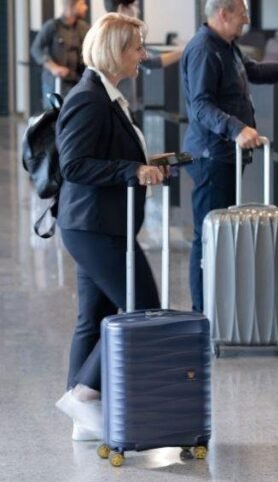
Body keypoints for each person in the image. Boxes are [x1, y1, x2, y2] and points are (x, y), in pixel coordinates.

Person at [53, 13, 170, 442]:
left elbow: (106, 156)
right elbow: (75, 165)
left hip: (100, 224)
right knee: (143, 308)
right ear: (116, 52)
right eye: (137, 47)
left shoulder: (107, 95)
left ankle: (82, 415)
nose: (143, 55)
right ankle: (85, 394)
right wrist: (131, 170)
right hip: (95, 227)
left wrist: (147, 167)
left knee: (94, 317)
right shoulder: (89, 98)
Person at [181, 0, 278, 312]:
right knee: (208, 236)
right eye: (242, 13)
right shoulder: (204, 50)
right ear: (223, 14)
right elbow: (201, 105)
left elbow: (255, 72)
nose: (247, 20)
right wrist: (236, 129)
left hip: (225, 156)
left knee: (218, 234)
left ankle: (216, 309)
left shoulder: (227, 46)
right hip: (212, 157)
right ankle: (202, 313)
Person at [104, 0, 184, 111]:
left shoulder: (105, 32)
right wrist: (183, 52)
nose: (138, 10)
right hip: (118, 106)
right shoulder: (122, 37)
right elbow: (150, 62)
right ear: (121, 9)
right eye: (135, 6)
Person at [30, 0, 90, 107]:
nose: (86, 7)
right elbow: (36, 49)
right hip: (55, 84)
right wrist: (53, 67)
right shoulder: (52, 26)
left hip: (76, 81)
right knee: (54, 117)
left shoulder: (83, 28)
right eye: (82, 4)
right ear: (72, 6)